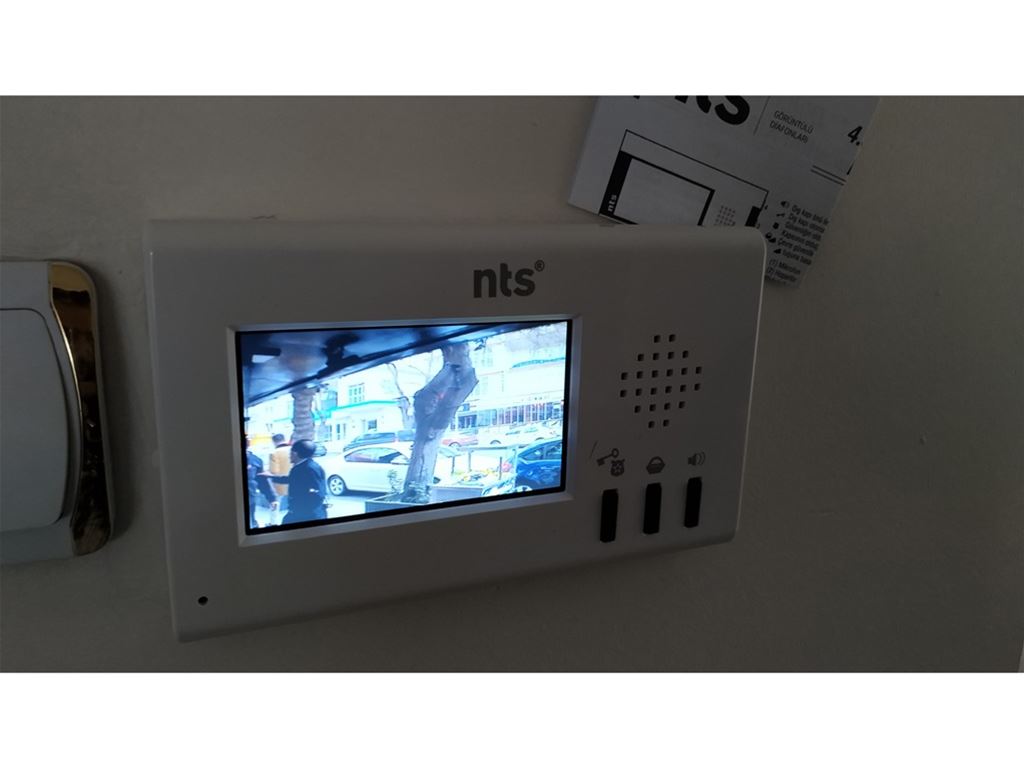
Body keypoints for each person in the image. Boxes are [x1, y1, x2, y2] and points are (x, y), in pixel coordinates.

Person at [261, 439, 327, 525]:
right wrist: (271, 476)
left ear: (295, 453)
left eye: (290, 452)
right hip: (301, 512)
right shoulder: (303, 466)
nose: (289, 455)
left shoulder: (309, 469)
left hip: (307, 515)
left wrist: (302, 511)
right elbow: (291, 479)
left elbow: (317, 493)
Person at [245, 437, 277, 529]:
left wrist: (272, 498)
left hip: (250, 500)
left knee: (250, 523)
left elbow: (262, 481)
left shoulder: (256, 461)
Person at [268, 433, 292, 516]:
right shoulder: (293, 450)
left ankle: (273, 521)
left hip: (279, 484)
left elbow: (274, 471)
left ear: (274, 442)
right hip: (294, 481)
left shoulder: (274, 453)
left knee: (275, 503)